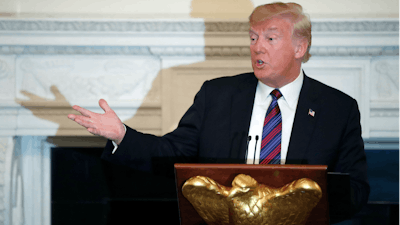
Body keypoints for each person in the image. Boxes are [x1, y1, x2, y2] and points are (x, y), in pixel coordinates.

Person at [68, 2, 369, 222]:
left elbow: (355, 189)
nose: (257, 48)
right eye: (253, 37)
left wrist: (308, 200)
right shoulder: (217, 96)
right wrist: (122, 135)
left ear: (300, 48)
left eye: (270, 38)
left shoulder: (337, 109)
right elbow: (173, 153)